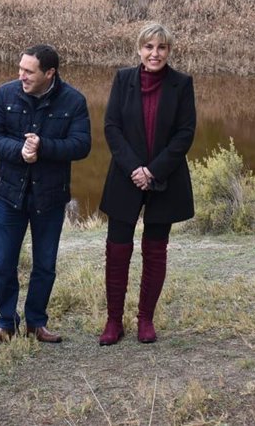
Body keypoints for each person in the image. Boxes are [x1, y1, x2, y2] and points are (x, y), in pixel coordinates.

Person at [0, 44, 91, 344]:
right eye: (20, 69)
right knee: (4, 264)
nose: (22, 76)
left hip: (50, 197)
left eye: (29, 71)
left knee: (44, 265)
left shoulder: (74, 100)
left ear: (50, 73)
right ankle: (6, 324)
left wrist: (44, 147)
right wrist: (20, 150)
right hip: (9, 195)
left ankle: (36, 323)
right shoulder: (6, 94)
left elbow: (82, 145)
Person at [97, 23, 196, 345]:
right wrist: (135, 169)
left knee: (155, 251)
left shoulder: (182, 84)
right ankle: (114, 321)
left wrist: (152, 171)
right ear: (139, 49)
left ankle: (145, 319)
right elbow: (112, 127)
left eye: (161, 47)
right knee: (117, 250)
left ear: (169, 51)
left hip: (165, 178)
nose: (155, 53)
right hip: (125, 177)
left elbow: (185, 134)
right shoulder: (123, 79)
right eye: (149, 47)